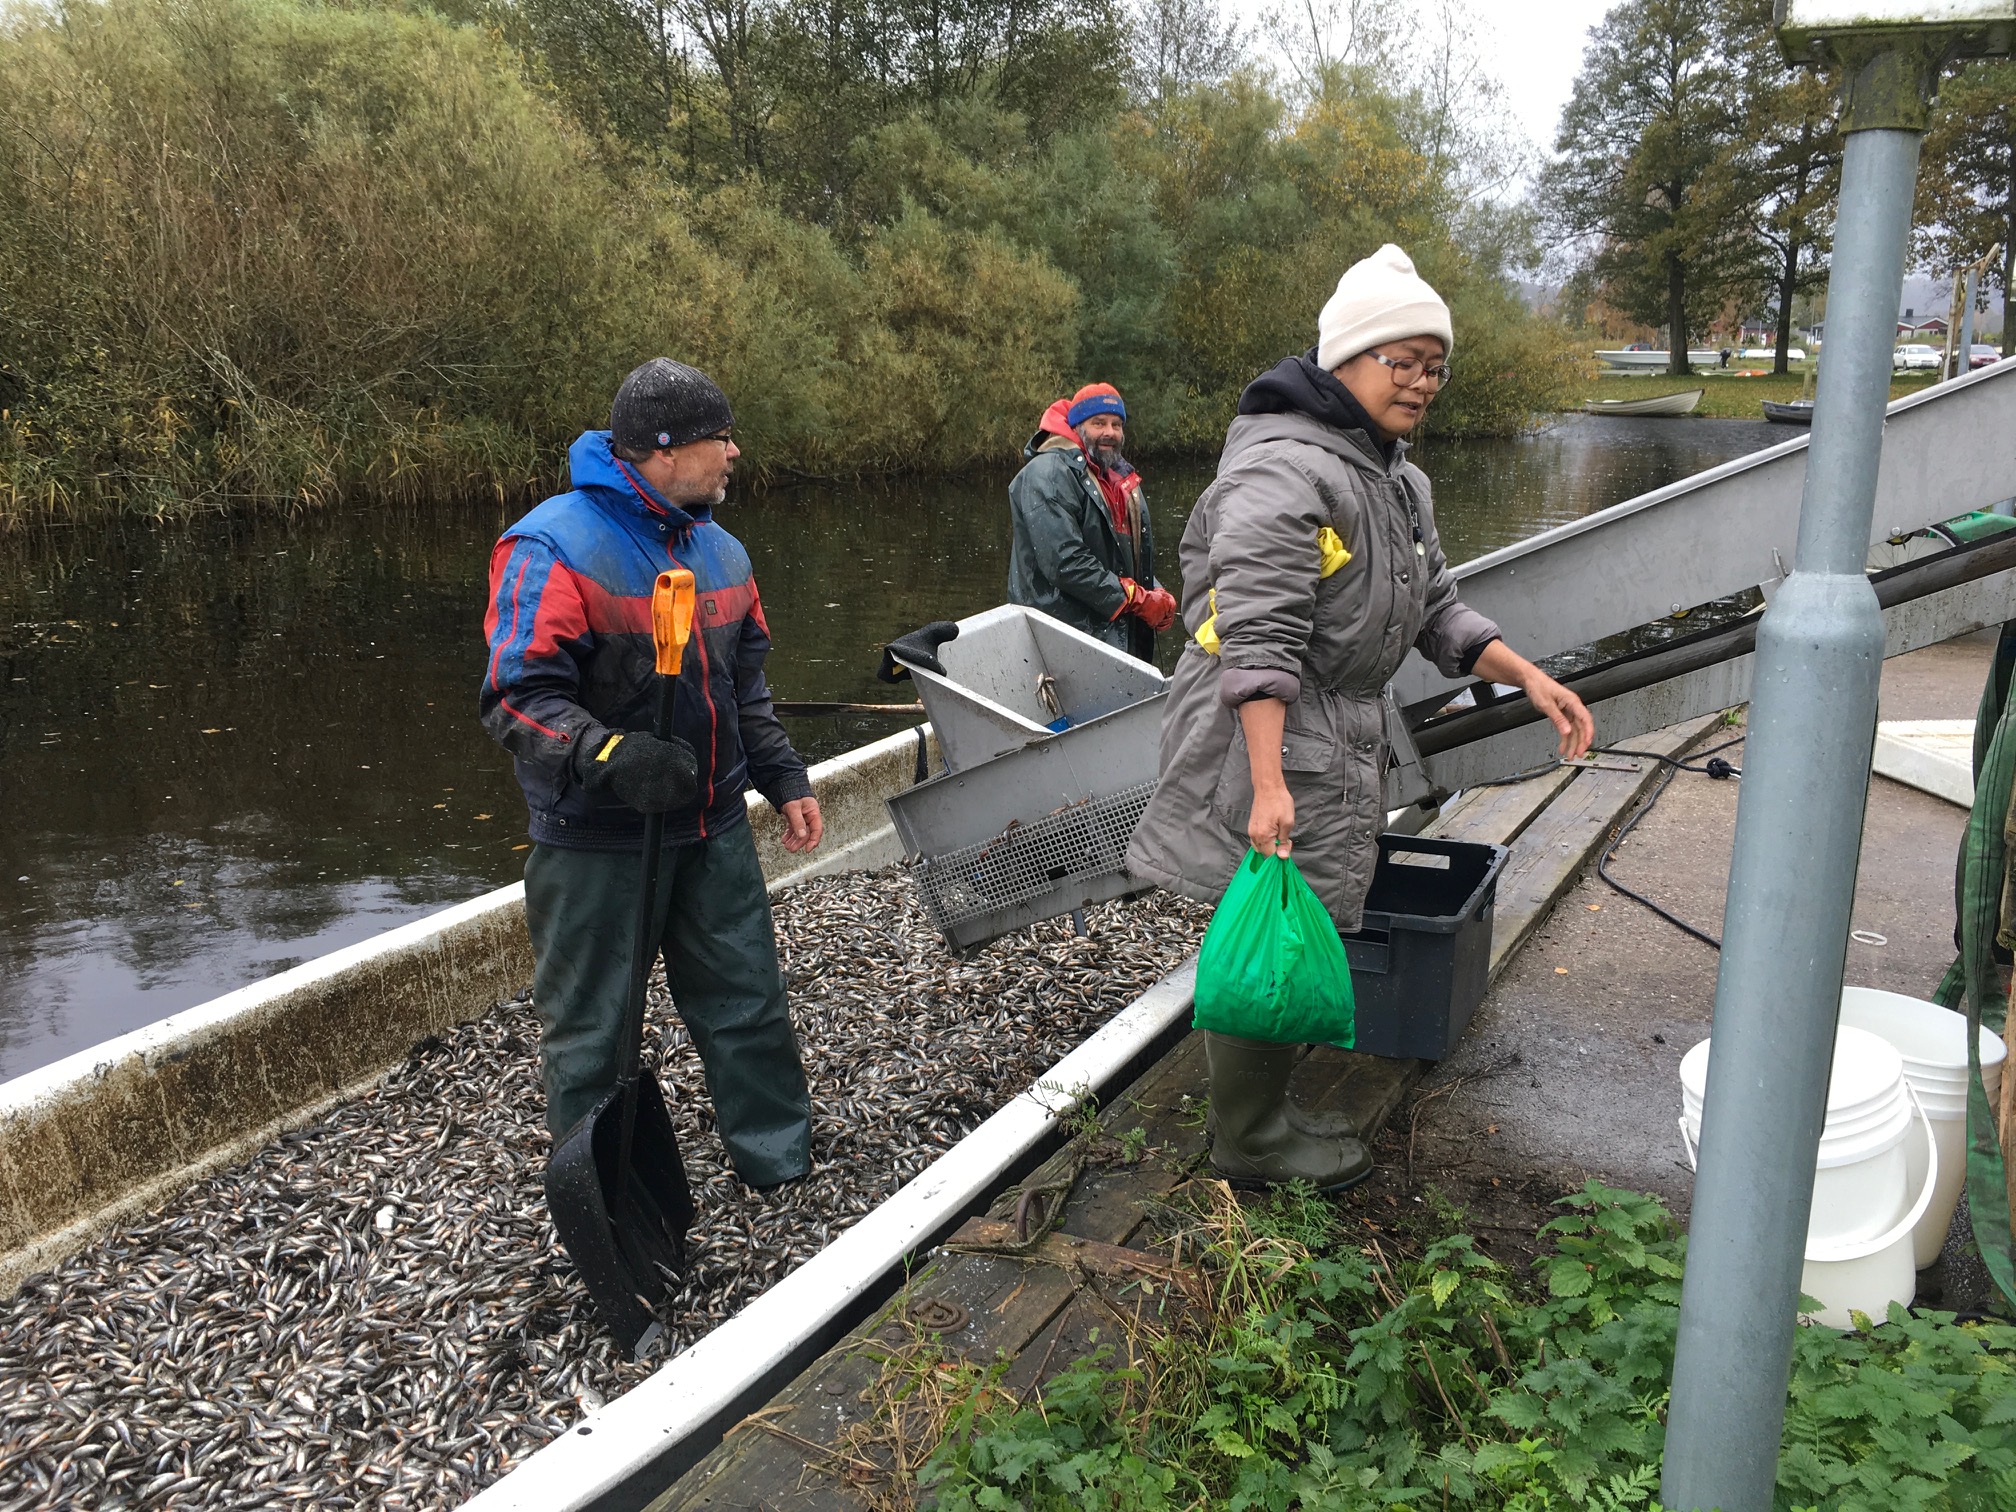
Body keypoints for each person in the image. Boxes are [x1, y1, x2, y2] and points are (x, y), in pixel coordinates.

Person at [1126, 246, 1594, 1190]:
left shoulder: (1396, 480)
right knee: (1269, 924)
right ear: (1345, 359)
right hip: (1256, 733)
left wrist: (1526, 676)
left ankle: (1262, 1114)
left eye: (1435, 366)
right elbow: (1255, 641)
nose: (1421, 383)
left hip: (1333, 733)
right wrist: (1265, 785)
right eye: (1402, 361)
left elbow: (1435, 607)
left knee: (1309, 918)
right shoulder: (1285, 473)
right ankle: (1249, 1139)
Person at [480, 357, 821, 1189]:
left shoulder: (726, 554)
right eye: (721, 437)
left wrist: (784, 778)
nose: (735, 453)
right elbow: (516, 698)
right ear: (662, 451)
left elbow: (746, 690)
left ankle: (780, 1165)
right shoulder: (551, 544)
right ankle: (602, 1199)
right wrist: (609, 754)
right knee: (595, 1034)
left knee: (749, 1005)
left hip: (712, 832)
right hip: (598, 845)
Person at [1006, 382, 1176, 661]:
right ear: (1077, 428)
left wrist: (1154, 591)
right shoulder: (1048, 472)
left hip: (1108, 640)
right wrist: (1137, 600)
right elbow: (1065, 562)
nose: (1109, 432)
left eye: (1116, 424)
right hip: (1058, 640)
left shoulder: (1120, 479)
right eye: (1099, 423)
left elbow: (1121, 557)